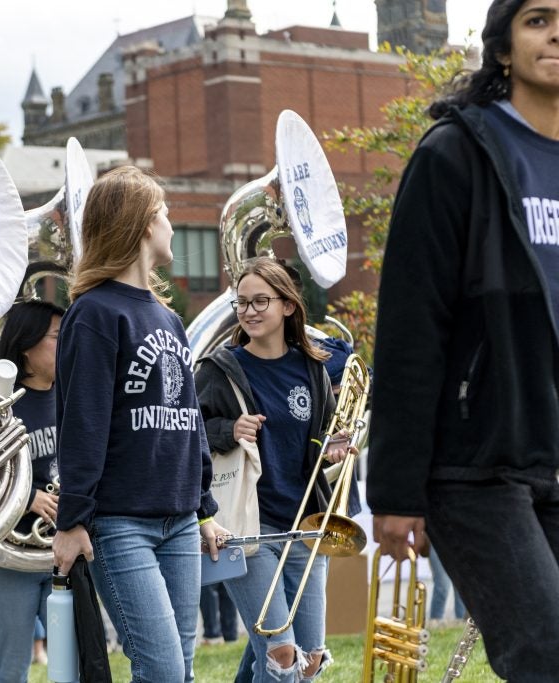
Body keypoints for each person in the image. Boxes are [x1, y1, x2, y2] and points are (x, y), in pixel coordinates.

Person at [367, 1, 559, 678]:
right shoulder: (456, 154)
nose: (558, 31)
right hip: (477, 465)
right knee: (546, 651)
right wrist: (394, 490)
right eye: (539, 18)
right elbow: (409, 331)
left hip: (555, 450)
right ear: (502, 49)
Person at [52, 165, 224, 683]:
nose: (172, 224)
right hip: (120, 522)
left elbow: (189, 420)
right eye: (166, 213)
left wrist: (205, 508)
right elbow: (82, 424)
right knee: (163, 670)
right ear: (145, 223)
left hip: (178, 519)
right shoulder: (94, 313)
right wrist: (72, 520)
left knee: (182, 668)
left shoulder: (168, 318)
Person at [196, 257, 356, 682]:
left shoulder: (313, 368)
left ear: (288, 305)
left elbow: (312, 442)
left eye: (260, 301)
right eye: (242, 302)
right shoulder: (219, 368)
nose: (249, 311)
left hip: (304, 526)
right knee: (281, 650)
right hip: (249, 528)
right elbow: (187, 434)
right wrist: (229, 429)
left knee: (312, 659)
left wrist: (331, 449)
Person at [0, 299, 65, 683]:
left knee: (74, 660)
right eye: (59, 337)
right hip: (8, 559)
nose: (69, 344)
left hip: (64, 551)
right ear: (26, 344)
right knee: (11, 669)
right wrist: (28, 498)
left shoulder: (77, 395)